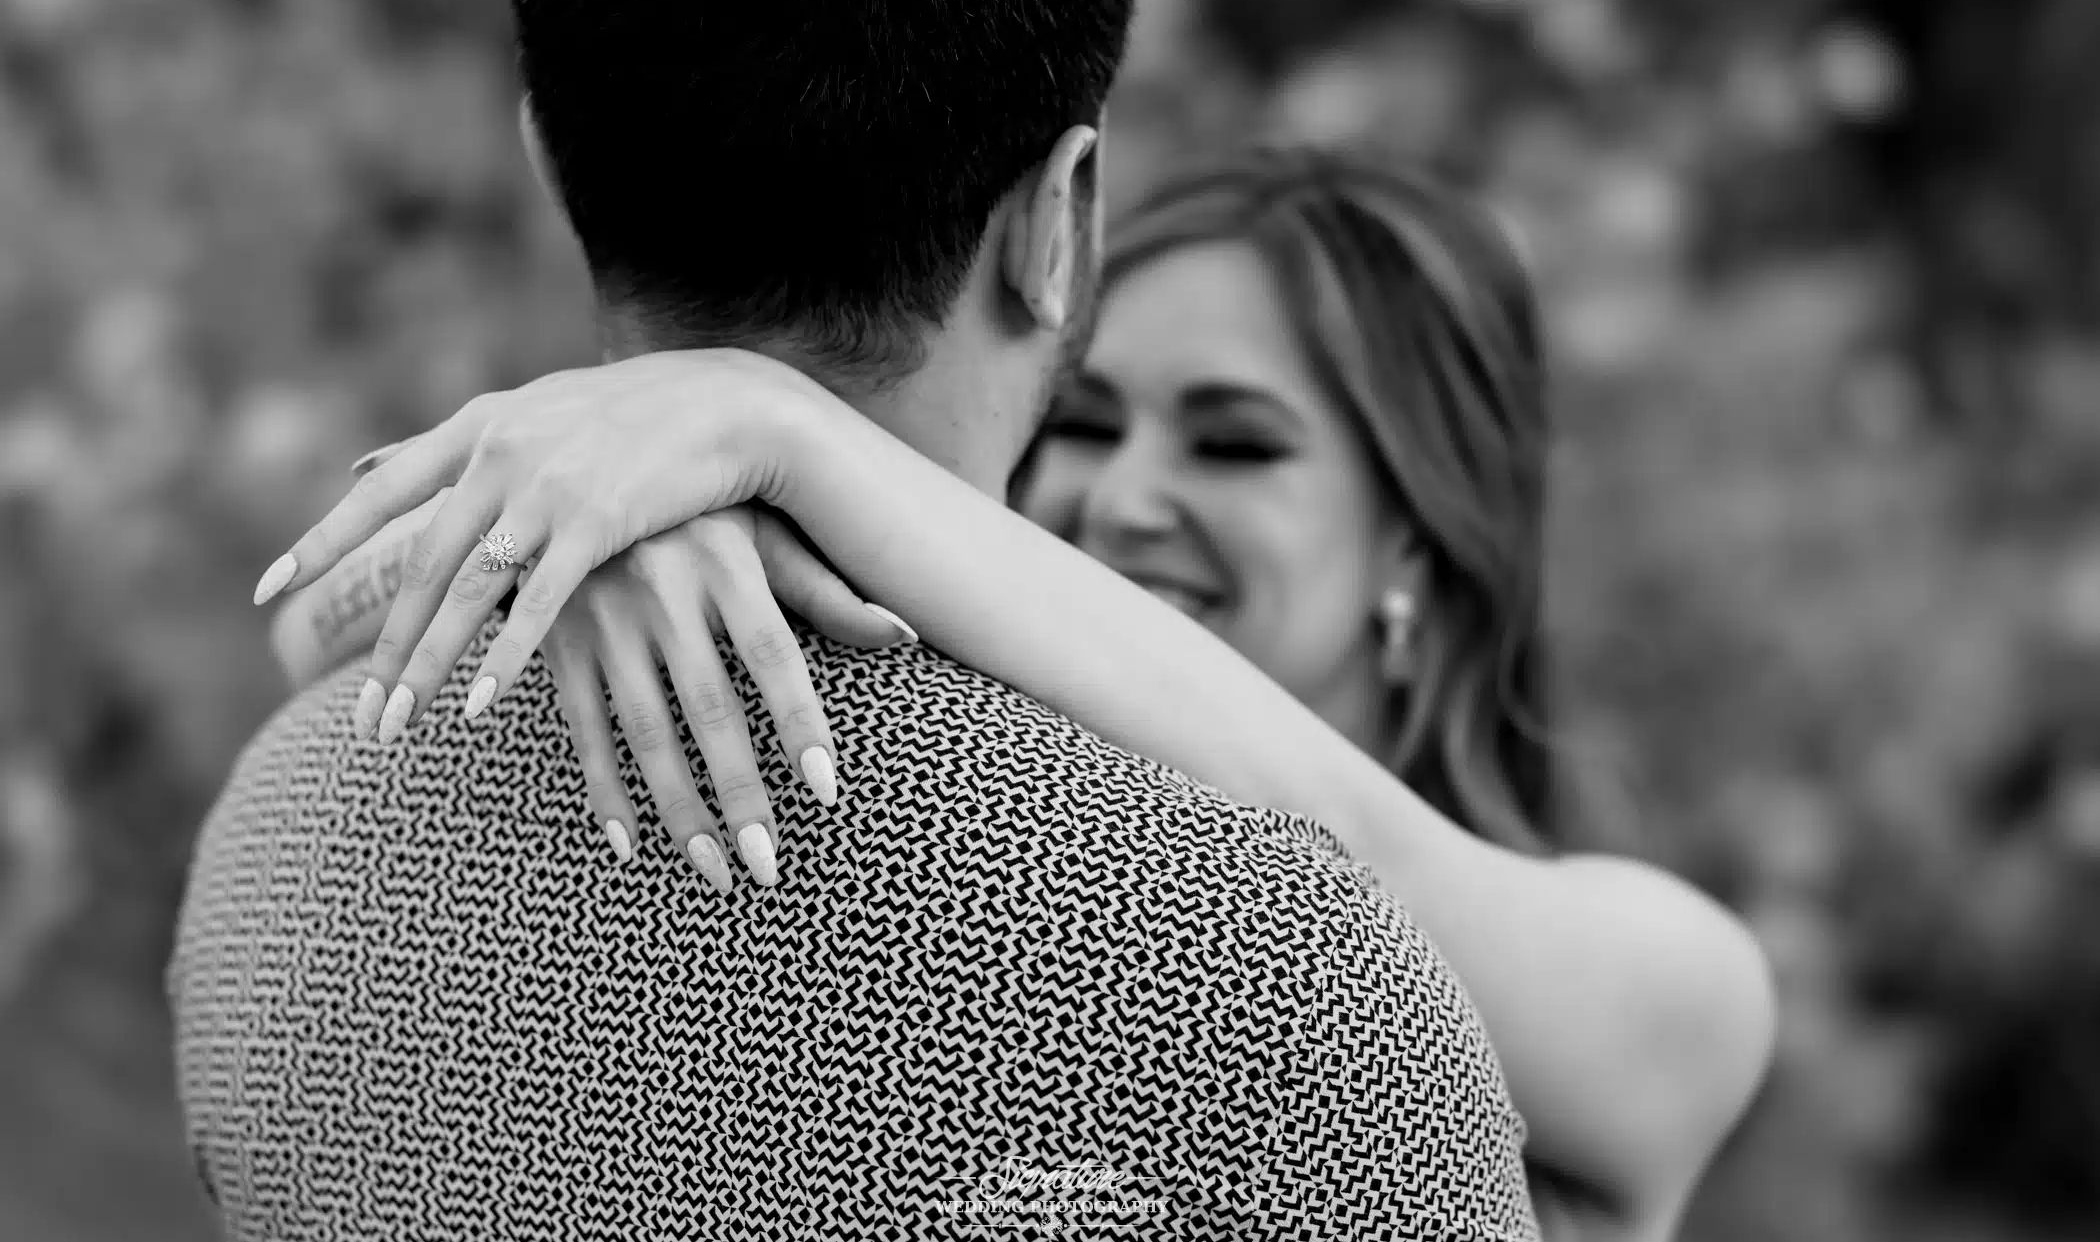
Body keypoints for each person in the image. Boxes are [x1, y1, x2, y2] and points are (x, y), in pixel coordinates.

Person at [169, 0, 1546, 1239]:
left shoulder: (274, 847)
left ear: (548, 162)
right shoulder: (1288, 1008)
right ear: (1061, 220)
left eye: (1238, 445)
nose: (1134, 501)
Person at [262, 151, 1777, 1240]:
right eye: (1091, 421)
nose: (1121, 500)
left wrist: (769, 423)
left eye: (1235, 445)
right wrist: (601, 517)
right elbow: (306, 636)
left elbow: (1345, 844)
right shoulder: (1016, 839)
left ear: (1420, 539)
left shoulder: (1677, 978)